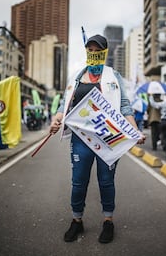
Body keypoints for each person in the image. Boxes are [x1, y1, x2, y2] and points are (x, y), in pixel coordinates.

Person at [50, 34, 145, 244]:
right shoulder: (76, 77)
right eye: (89, 50)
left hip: (108, 139)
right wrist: (56, 120)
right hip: (80, 139)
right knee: (78, 181)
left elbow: (125, 106)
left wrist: (135, 131)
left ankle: (108, 221)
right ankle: (77, 220)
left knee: (106, 181)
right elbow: (64, 105)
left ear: (104, 52)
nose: (93, 53)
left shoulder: (114, 77)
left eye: (97, 50)